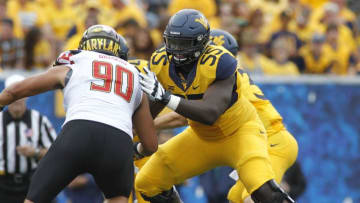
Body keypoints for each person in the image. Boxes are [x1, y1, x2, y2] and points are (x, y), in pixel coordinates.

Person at [135, 9, 294, 203]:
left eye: (183, 44)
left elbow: (210, 113)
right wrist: (129, 133)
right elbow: (152, 110)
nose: (176, 50)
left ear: (201, 43)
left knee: (261, 191)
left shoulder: (221, 62)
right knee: (147, 183)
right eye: (172, 42)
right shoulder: (160, 61)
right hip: (201, 136)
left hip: (239, 132)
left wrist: (166, 98)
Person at [0, 24, 158, 203]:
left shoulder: (78, 60)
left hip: (78, 133)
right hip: (118, 141)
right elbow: (151, 144)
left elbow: (15, 91)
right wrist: (135, 150)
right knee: (117, 198)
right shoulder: (134, 74)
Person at [210, 29, 298, 203]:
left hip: (271, 142)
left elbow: (197, 115)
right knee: (235, 197)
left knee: (251, 198)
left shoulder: (224, 79)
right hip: (260, 142)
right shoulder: (231, 73)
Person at [0, 74, 57, 203]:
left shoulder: (40, 121)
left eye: (19, 95)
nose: (16, 99)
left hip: (32, 184)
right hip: (2, 185)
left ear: (26, 96)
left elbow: (55, 153)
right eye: (13, 95)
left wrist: (35, 153)